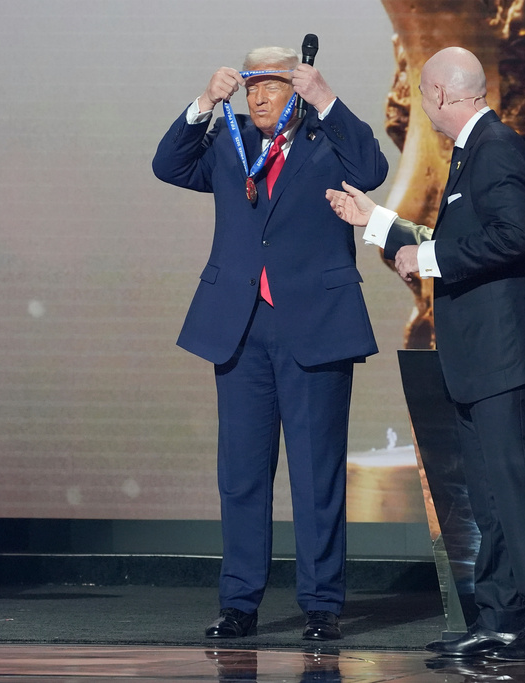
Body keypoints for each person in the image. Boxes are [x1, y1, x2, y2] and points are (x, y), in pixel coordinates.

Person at [326, 46, 525, 661]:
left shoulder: (497, 148)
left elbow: (513, 237)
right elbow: (458, 239)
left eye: (419, 94)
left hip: (505, 357)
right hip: (480, 359)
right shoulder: (472, 151)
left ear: (438, 94)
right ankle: (499, 618)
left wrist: (428, 258)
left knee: (514, 492)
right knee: (489, 498)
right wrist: (378, 223)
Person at [152, 46, 388, 640]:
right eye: (250, 85)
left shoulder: (326, 139)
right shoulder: (228, 142)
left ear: (297, 88)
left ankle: (321, 605)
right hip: (240, 325)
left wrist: (326, 98)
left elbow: (371, 170)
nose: (256, 96)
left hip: (315, 322)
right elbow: (168, 165)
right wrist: (205, 103)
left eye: (271, 85)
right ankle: (239, 603)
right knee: (242, 474)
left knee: (316, 473)